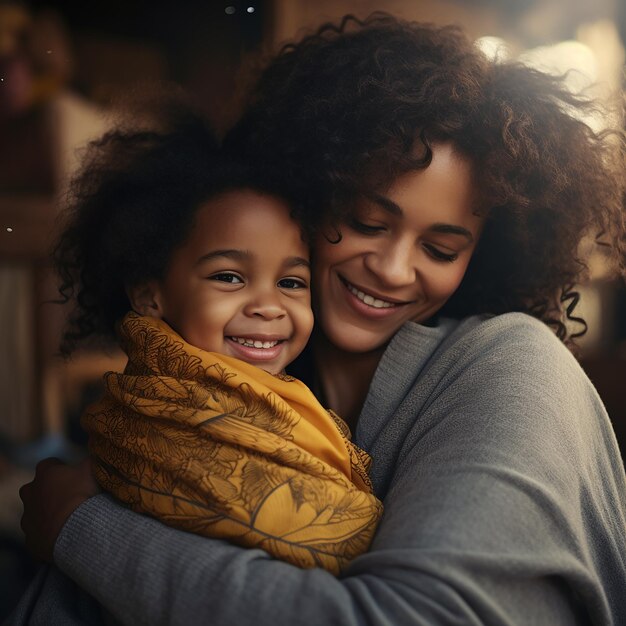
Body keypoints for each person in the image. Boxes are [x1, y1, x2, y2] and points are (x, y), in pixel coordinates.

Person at [13, 12, 626, 626]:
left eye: (441, 249)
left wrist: (83, 530)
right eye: (365, 220)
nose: (391, 267)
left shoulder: (516, 367)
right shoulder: (241, 385)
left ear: (485, 255)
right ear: (311, 191)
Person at [29, 106, 382, 576]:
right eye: (230, 276)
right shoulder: (156, 417)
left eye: (292, 283)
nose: (268, 306)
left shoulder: (285, 399)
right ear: (150, 294)